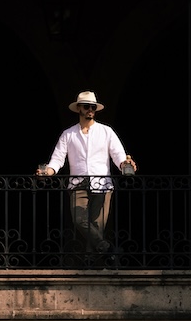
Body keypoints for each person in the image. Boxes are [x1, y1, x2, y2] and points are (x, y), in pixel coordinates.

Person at [38, 91, 136, 262]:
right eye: (87, 106)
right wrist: (47, 172)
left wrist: (125, 165)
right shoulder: (68, 134)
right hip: (78, 183)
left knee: (97, 226)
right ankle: (107, 249)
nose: (90, 110)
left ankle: (92, 265)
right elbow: (57, 160)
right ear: (79, 109)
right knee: (79, 220)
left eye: (93, 107)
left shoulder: (106, 132)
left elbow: (118, 155)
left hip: (102, 184)